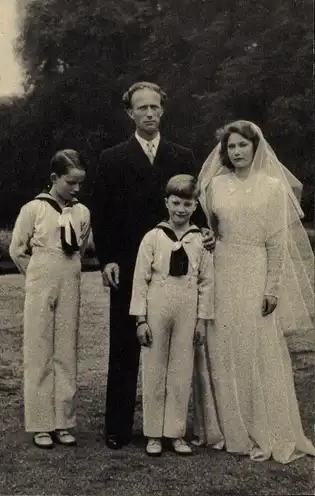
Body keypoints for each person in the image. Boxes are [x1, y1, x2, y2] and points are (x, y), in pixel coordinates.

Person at [91, 81, 215, 450]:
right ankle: (117, 426)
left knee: (175, 347)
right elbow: (103, 213)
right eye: (141, 108)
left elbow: (197, 204)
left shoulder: (182, 155)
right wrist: (109, 258)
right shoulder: (112, 158)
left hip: (174, 266)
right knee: (126, 342)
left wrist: (205, 231)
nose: (148, 113)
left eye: (154, 107)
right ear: (130, 113)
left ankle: (169, 427)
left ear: (162, 110)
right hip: (129, 262)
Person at [193, 120, 315, 463]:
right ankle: (229, 430)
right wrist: (209, 240)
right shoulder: (215, 186)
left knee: (258, 345)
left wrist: (272, 287)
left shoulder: (273, 188)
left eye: (242, 146)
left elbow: (277, 243)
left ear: (255, 147)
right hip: (223, 269)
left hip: (256, 268)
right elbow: (212, 232)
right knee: (223, 345)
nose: (236, 152)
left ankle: (266, 427)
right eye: (231, 147)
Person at [9, 149, 91, 449]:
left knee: (66, 350)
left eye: (80, 183)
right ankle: (42, 424)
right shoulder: (34, 209)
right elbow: (17, 249)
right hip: (41, 275)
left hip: (69, 275)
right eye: (71, 182)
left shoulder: (81, 212)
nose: (76, 188)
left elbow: (81, 247)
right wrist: (36, 276)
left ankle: (63, 422)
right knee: (39, 348)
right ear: (55, 178)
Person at [129, 175, 214, 457]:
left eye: (187, 203)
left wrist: (201, 320)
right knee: (154, 368)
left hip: (187, 308)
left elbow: (206, 282)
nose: (180, 209)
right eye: (175, 202)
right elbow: (140, 280)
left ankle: (175, 433)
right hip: (157, 307)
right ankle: (153, 433)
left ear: (195, 205)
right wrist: (140, 320)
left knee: (181, 369)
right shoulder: (152, 237)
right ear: (166, 202)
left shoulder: (200, 240)